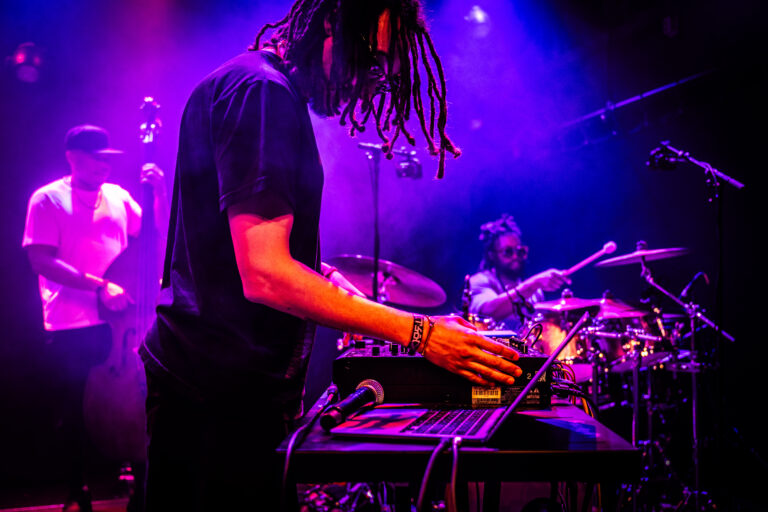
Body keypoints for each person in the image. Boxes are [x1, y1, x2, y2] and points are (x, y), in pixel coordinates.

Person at [138, 1, 524, 510]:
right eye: (374, 59)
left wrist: (318, 273)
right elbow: (265, 275)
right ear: (331, 26)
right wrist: (421, 334)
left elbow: (228, 247)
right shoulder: (261, 93)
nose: (376, 80)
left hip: (219, 388)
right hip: (216, 398)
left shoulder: (257, 86)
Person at [22, 124, 167, 512]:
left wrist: (158, 196)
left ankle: (141, 485)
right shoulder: (48, 199)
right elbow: (41, 261)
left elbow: (150, 235)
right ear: (72, 158)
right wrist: (99, 286)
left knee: (139, 401)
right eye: (95, 158)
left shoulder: (118, 197)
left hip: (121, 324)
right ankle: (77, 489)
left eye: (107, 160)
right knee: (74, 410)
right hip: (72, 321)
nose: (103, 166)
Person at [468, 214, 571, 333]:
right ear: (492, 255)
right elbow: (488, 313)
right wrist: (533, 284)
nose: (516, 256)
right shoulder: (479, 282)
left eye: (520, 251)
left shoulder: (535, 292)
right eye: (508, 252)